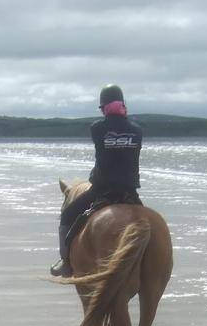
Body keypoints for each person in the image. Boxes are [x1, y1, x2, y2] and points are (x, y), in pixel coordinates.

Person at [50, 84, 143, 277]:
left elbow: (105, 155)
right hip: (129, 192)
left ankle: (66, 263)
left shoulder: (97, 128)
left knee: (67, 217)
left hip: (102, 190)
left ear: (104, 108)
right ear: (123, 105)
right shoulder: (137, 130)